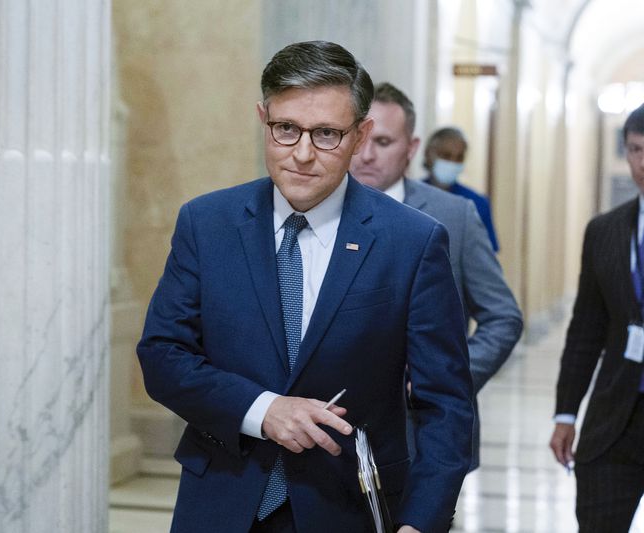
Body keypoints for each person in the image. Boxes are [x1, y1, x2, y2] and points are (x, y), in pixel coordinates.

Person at [137, 41, 474, 533]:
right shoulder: (207, 224)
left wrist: (421, 523)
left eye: (326, 135)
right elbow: (164, 356)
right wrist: (263, 409)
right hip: (222, 503)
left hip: (349, 508)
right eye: (286, 129)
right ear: (263, 119)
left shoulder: (412, 242)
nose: (302, 154)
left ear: (361, 136)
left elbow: (445, 403)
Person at [350, 82, 523, 472]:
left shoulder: (455, 216)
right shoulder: (317, 210)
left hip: (424, 436)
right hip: (330, 439)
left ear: (411, 149)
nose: (366, 155)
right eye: (357, 138)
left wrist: (446, 378)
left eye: (382, 141)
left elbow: (503, 317)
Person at [549, 103, 644, 532]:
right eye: (636, 150)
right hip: (614, 419)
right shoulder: (604, 231)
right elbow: (586, 329)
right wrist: (566, 413)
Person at [422, 127, 500, 252]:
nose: (453, 163)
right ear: (428, 154)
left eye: (459, 157)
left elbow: (488, 255)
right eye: (446, 155)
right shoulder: (409, 196)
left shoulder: (476, 203)